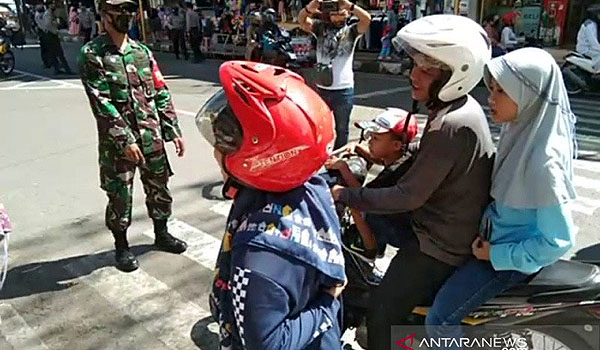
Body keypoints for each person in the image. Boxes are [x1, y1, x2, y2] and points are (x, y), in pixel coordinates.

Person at [330, 15, 495, 350]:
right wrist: (373, 155)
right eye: (415, 64)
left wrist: (345, 194)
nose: (413, 74)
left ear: (455, 74)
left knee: (381, 313)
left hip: (440, 244)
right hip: (446, 223)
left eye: (427, 69)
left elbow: (408, 196)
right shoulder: (457, 110)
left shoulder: (450, 124)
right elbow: (425, 157)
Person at [425, 47, 578, 350]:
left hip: (506, 261)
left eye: (501, 91)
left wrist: (495, 255)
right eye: (491, 88)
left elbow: (558, 241)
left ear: (527, 94)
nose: (490, 98)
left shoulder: (542, 162)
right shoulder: (519, 132)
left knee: (440, 319)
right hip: (490, 239)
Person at [197, 61, 346, 350]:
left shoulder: (258, 259)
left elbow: (267, 346)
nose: (217, 152)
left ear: (265, 158)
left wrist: (327, 301)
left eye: (227, 143)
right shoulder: (311, 187)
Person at [78, 0, 188, 272]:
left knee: (159, 188)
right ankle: (122, 246)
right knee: (120, 196)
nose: (126, 15)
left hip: (151, 137)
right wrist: (124, 139)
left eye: (129, 10)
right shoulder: (93, 54)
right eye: (119, 11)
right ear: (105, 15)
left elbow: (160, 91)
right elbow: (101, 102)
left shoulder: (142, 52)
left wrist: (172, 129)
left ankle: (161, 234)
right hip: (118, 145)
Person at [324, 108, 418, 260]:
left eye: (376, 138)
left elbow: (363, 196)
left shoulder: (394, 173)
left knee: (353, 203)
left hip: (400, 231)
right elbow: (382, 158)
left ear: (396, 145)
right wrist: (359, 148)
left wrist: (344, 169)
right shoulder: (403, 157)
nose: (370, 142)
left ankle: (369, 248)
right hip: (402, 219)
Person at [299, 0, 371, 150]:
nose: (338, 15)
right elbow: (302, 21)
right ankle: (318, 154)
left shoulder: (352, 31)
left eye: (341, 11)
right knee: (317, 126)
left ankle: (338, 159)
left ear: (347, 14)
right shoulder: (320, 28)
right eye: (334, 12)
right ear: (328, 15)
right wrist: (309, 7)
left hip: (343, 91)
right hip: (322, 89)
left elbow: (367, 19)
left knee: (342, 130)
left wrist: (349, 6)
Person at [44, 2, 73, 75]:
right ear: (49, 5)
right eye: (52, 4)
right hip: (51, 35)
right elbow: (48, 24)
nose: (53, 5)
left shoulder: (51, 13)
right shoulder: (48, 14)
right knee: (59, 53)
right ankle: (66, 69)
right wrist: (55, 31)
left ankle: (57, 69)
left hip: (50, 34)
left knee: (54, 53)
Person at [576, 4, 600, 71]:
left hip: (592, 49)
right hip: (585, 49)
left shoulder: (596, 24)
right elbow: (593, 43)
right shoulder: (589, 25)